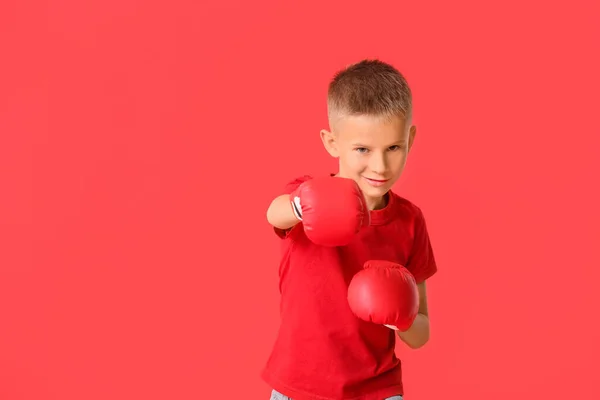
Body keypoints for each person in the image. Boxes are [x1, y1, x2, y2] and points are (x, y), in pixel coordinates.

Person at [262, 59, 438, 400]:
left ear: (410, 138)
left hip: (376, 388)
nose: (380, 165)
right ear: (331, 143)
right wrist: (302, 205)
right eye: (362, 149)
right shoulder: (307, 192)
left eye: (393, 148)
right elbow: (274, 214)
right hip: (298, 386)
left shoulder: (410, 221)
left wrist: (401, 316)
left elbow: (422, 332)